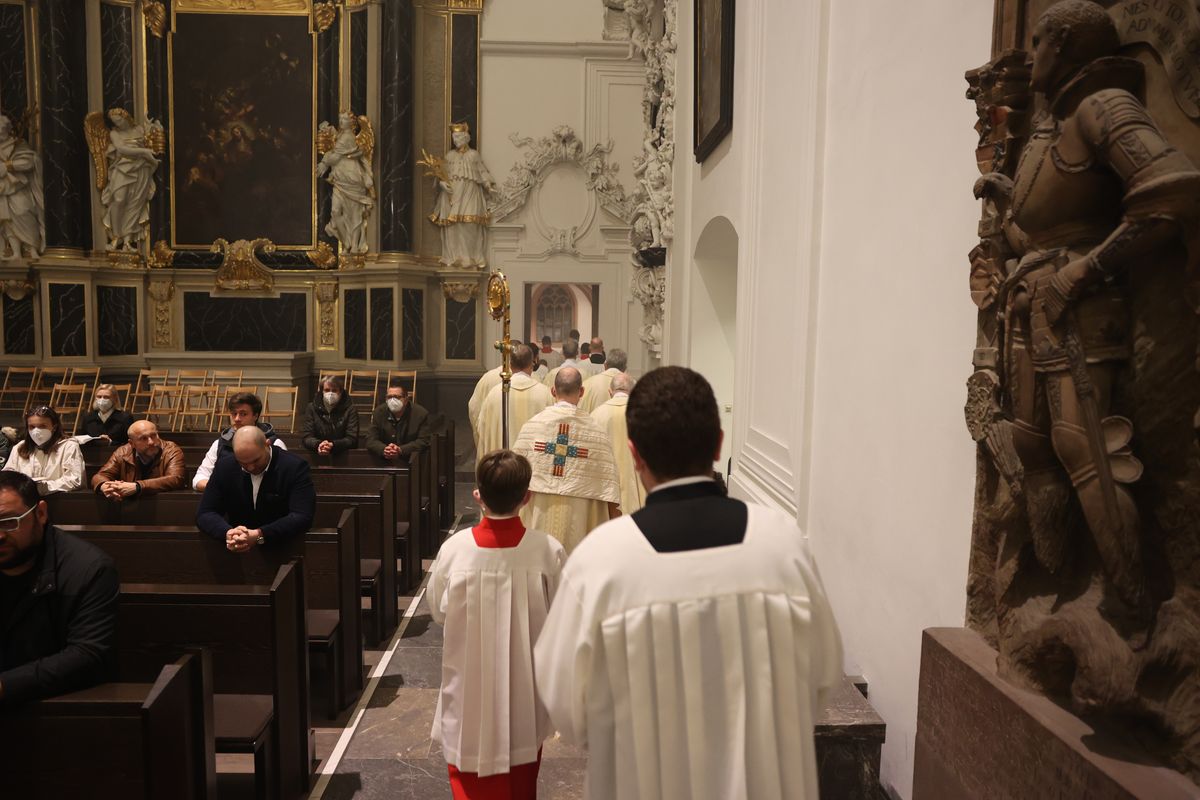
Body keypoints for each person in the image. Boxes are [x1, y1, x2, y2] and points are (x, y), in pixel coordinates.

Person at [534, 367, 844, 799]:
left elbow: (566, 704)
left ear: (634, 455)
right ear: (718, 444)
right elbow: (823, 675)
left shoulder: (601, 562)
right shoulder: (783, 547)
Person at [428, 450, 565, 800]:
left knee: (468, 771)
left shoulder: (454, 550)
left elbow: (438, 611)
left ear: (478, 495)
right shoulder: (547, 551)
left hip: (468, 682)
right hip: (524, 686)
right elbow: (561, 616)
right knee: (520, 775)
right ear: (527, 496)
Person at [0, 471, 119, 706]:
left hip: (55, 708)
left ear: (41, 513)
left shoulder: (89, 568)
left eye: (9, 522)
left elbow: (87, 654)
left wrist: (5, 685)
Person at [512, 367, 620, 553]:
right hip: (580, 516)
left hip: (539, 512)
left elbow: (514, 476)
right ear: (582, 392)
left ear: (553, 391)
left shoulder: (533, 426)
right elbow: (609, 487)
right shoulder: (596, 432)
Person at [196, 426, 316, 551]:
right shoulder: (225, 466)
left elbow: (302, 516)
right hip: (236, 548)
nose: (251, 467)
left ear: (267, 444)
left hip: (283, 548)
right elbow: (205, 512)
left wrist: (260, 535)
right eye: (243, 462)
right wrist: (228, 533)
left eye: (256, 460)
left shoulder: (294, 467)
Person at [430, 122, 497, 268]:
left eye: (458, 136)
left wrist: (488, 186)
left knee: (469, 223)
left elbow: (482, 172)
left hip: (470, 192)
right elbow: (442, 174)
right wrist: (441, 183)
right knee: (454, 224)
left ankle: (470, 256)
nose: (455, 140)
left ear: (466, 137)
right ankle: (455, 256)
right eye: (454, 137)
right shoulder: (450, 155)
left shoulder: (473, 155)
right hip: (452, 195)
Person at [192, 391, 288, 491]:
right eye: (234, 414)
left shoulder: (275, 444)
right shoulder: (220, 444)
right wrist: (221, 488)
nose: (237, 419)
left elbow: (285, 480)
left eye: (243, 414)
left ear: (255, 415)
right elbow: (199, 479)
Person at [475, 344, 552, 465]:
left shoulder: (494, 394)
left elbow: (481, 427)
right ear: (532, 364)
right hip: (533, 469)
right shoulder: (545, 394)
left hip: (501, 466)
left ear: (509, 365)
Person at [589, 372, 646, 514]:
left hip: (606, 491)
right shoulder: (645, 414)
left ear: (610, 392)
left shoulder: (596, 415)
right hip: (638, 490)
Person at [90, 420, 186, 500]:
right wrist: (104, 486)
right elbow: (101, 475)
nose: (151, 442)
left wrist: (138, 486)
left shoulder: (171, 450)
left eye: (153, 435)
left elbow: (176, 478)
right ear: (132, 443)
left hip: (163, 506)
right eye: (143, 438)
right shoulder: (123, 452)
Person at [1, 407, 84, 495]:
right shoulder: (20, 447)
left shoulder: (68, 446)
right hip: (24, 500)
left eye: (42, 426)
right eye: (32, 427)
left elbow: (75, 480)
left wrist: (44, 486)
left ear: (54, 427)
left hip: (57, 500)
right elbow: (8, 476)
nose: (36, 431)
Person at [0, 114, 44, 260]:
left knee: (24, 212)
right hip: (3, 190)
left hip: (18, 187)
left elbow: (30, 161)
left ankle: (32, 249)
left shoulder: (18, 144)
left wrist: (7, 166)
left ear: (6, 130)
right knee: (7, 220)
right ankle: (16, 252)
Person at [467, 340, 521, 452]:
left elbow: (474, 410)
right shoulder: (532, 379)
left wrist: (483, 435)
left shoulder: (487, 378)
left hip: (493, 439)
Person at [366, 379, 431, 461]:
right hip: (384, 459)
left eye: (397, 397)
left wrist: (400, 450)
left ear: (406, 399)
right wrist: (384, 449)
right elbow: (371, 439)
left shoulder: (420, 414)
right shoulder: (379, 412)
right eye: (389, 397)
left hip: (410, 460)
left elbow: (424, 441)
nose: (392, 400)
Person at [301, 374, 360, 455]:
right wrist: (319, 445)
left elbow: (352, 439)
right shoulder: (311, 408)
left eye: (334, 390)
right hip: (317, 453)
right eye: (327, 390)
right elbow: (306, 437)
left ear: (341, 392)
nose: (330, 394)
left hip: (342, 455)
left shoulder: (350, 409)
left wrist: (333, 445)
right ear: (322, 391)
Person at [578, 348, 628, 414]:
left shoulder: (588, 384)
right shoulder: (633, 386)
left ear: (605, 365)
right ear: (624, 368)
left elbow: (581, 412)